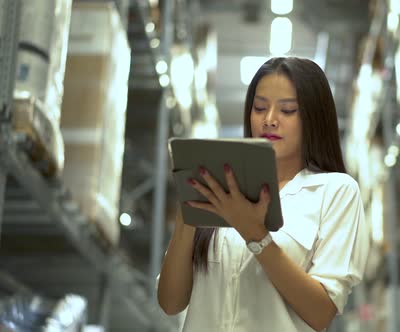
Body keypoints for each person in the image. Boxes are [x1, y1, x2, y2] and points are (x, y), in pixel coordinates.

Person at [157, 57, 370, 332]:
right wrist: (188, 212)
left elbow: (321, 313)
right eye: (259, 108)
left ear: (314, 118)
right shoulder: (221, 186)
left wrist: (256, 235)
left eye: (288, 110)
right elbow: (170, 303)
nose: (269, 120)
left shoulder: (335, 191)